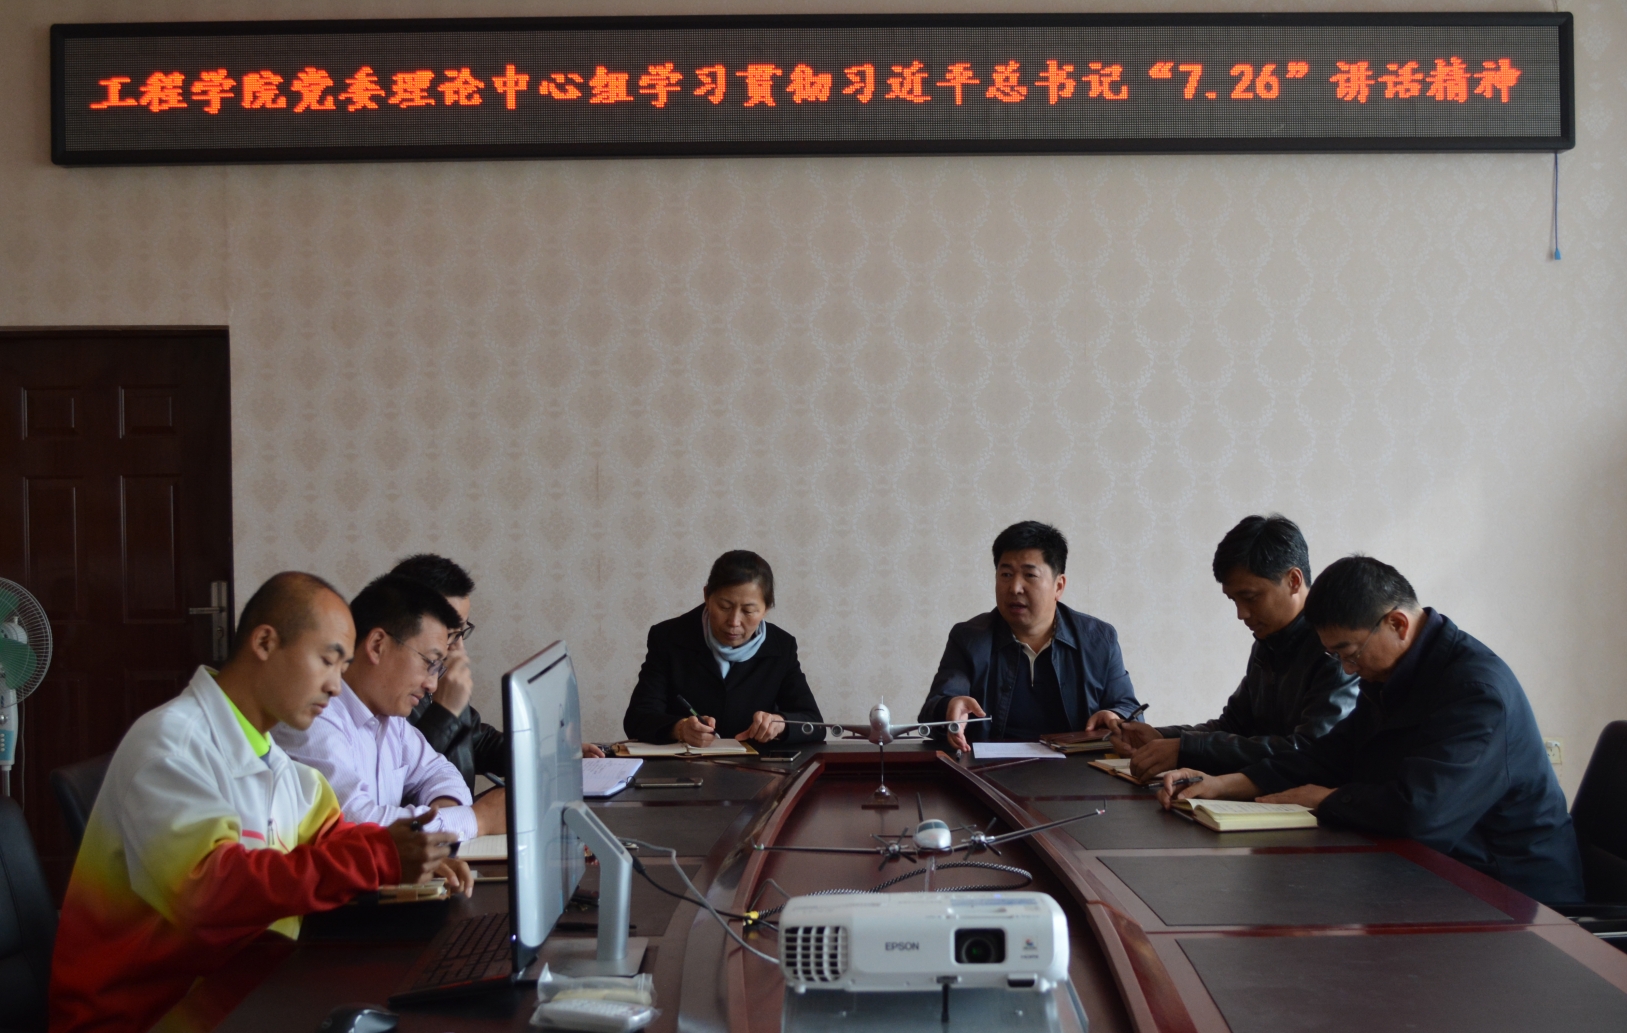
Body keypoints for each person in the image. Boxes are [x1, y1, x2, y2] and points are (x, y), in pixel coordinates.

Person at [50, 572, 466, 1033]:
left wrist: (411, 856)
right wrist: (378, 857)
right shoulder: (171, 746)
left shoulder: (274, 761)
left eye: (343, 667)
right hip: (151, 1017)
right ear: (265, 642)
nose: (335, 686)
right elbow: (210, 893)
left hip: (244, 991)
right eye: (327, 661)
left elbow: (334, 836)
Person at [1157, 556, 1585, 905]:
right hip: (1432, 872)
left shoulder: (1476, 693)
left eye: (1350, 652)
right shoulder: (1392, 672)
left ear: (1397, 624)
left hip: (1512, 898)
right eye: (1336, 656)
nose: (1347, 669)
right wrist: (1226, 784)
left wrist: (1325, 799)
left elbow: (1422, 813)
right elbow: (1333, 754)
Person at [1111, 515, 1359, 780]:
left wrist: (1186, 749)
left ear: (1294, 580)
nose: (1241, 614)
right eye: (1234, 600)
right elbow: (1234, 726)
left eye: (1250, 598)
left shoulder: (1335, 650)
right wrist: (1163, 737)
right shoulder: (1268, 642)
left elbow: (1310, 750)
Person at [275, 573, 505, 842]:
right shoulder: (313, 717)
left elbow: (439, 772)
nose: (432, 684)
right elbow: (357, 826)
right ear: (377, 645)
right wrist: (476, 820)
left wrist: (444, 815)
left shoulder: (389, 716)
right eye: (429, 662)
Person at [920, 521, 1139, 752]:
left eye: (1030, 575)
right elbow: (933, 710)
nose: (1015, 588)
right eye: (1006, 574)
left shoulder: (1098, 639)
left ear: (1058, 586)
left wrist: (1114, 716)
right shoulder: (969, 639)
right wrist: (949, 706)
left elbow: (1129, 710)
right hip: (989, 768)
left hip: (1076, 769)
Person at [394, 554, 603, 791]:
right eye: (450, 634)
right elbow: (403, 783)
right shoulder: (386, 697)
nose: (459, 649)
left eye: (461, 632)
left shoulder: (439, 675)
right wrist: (444, 713)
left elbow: (477, 742)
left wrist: (551, 753)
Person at [623, 550, 824, 746]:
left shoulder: (781, 647)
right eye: (724, 607)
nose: (734, 621)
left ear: (766, 608)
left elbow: (814, 724)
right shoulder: (669, 638)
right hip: (685, 764)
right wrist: (680, 729)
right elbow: (637, 718)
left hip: (755, 765)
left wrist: (781, 724)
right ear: (707, 596)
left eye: (748, 611)